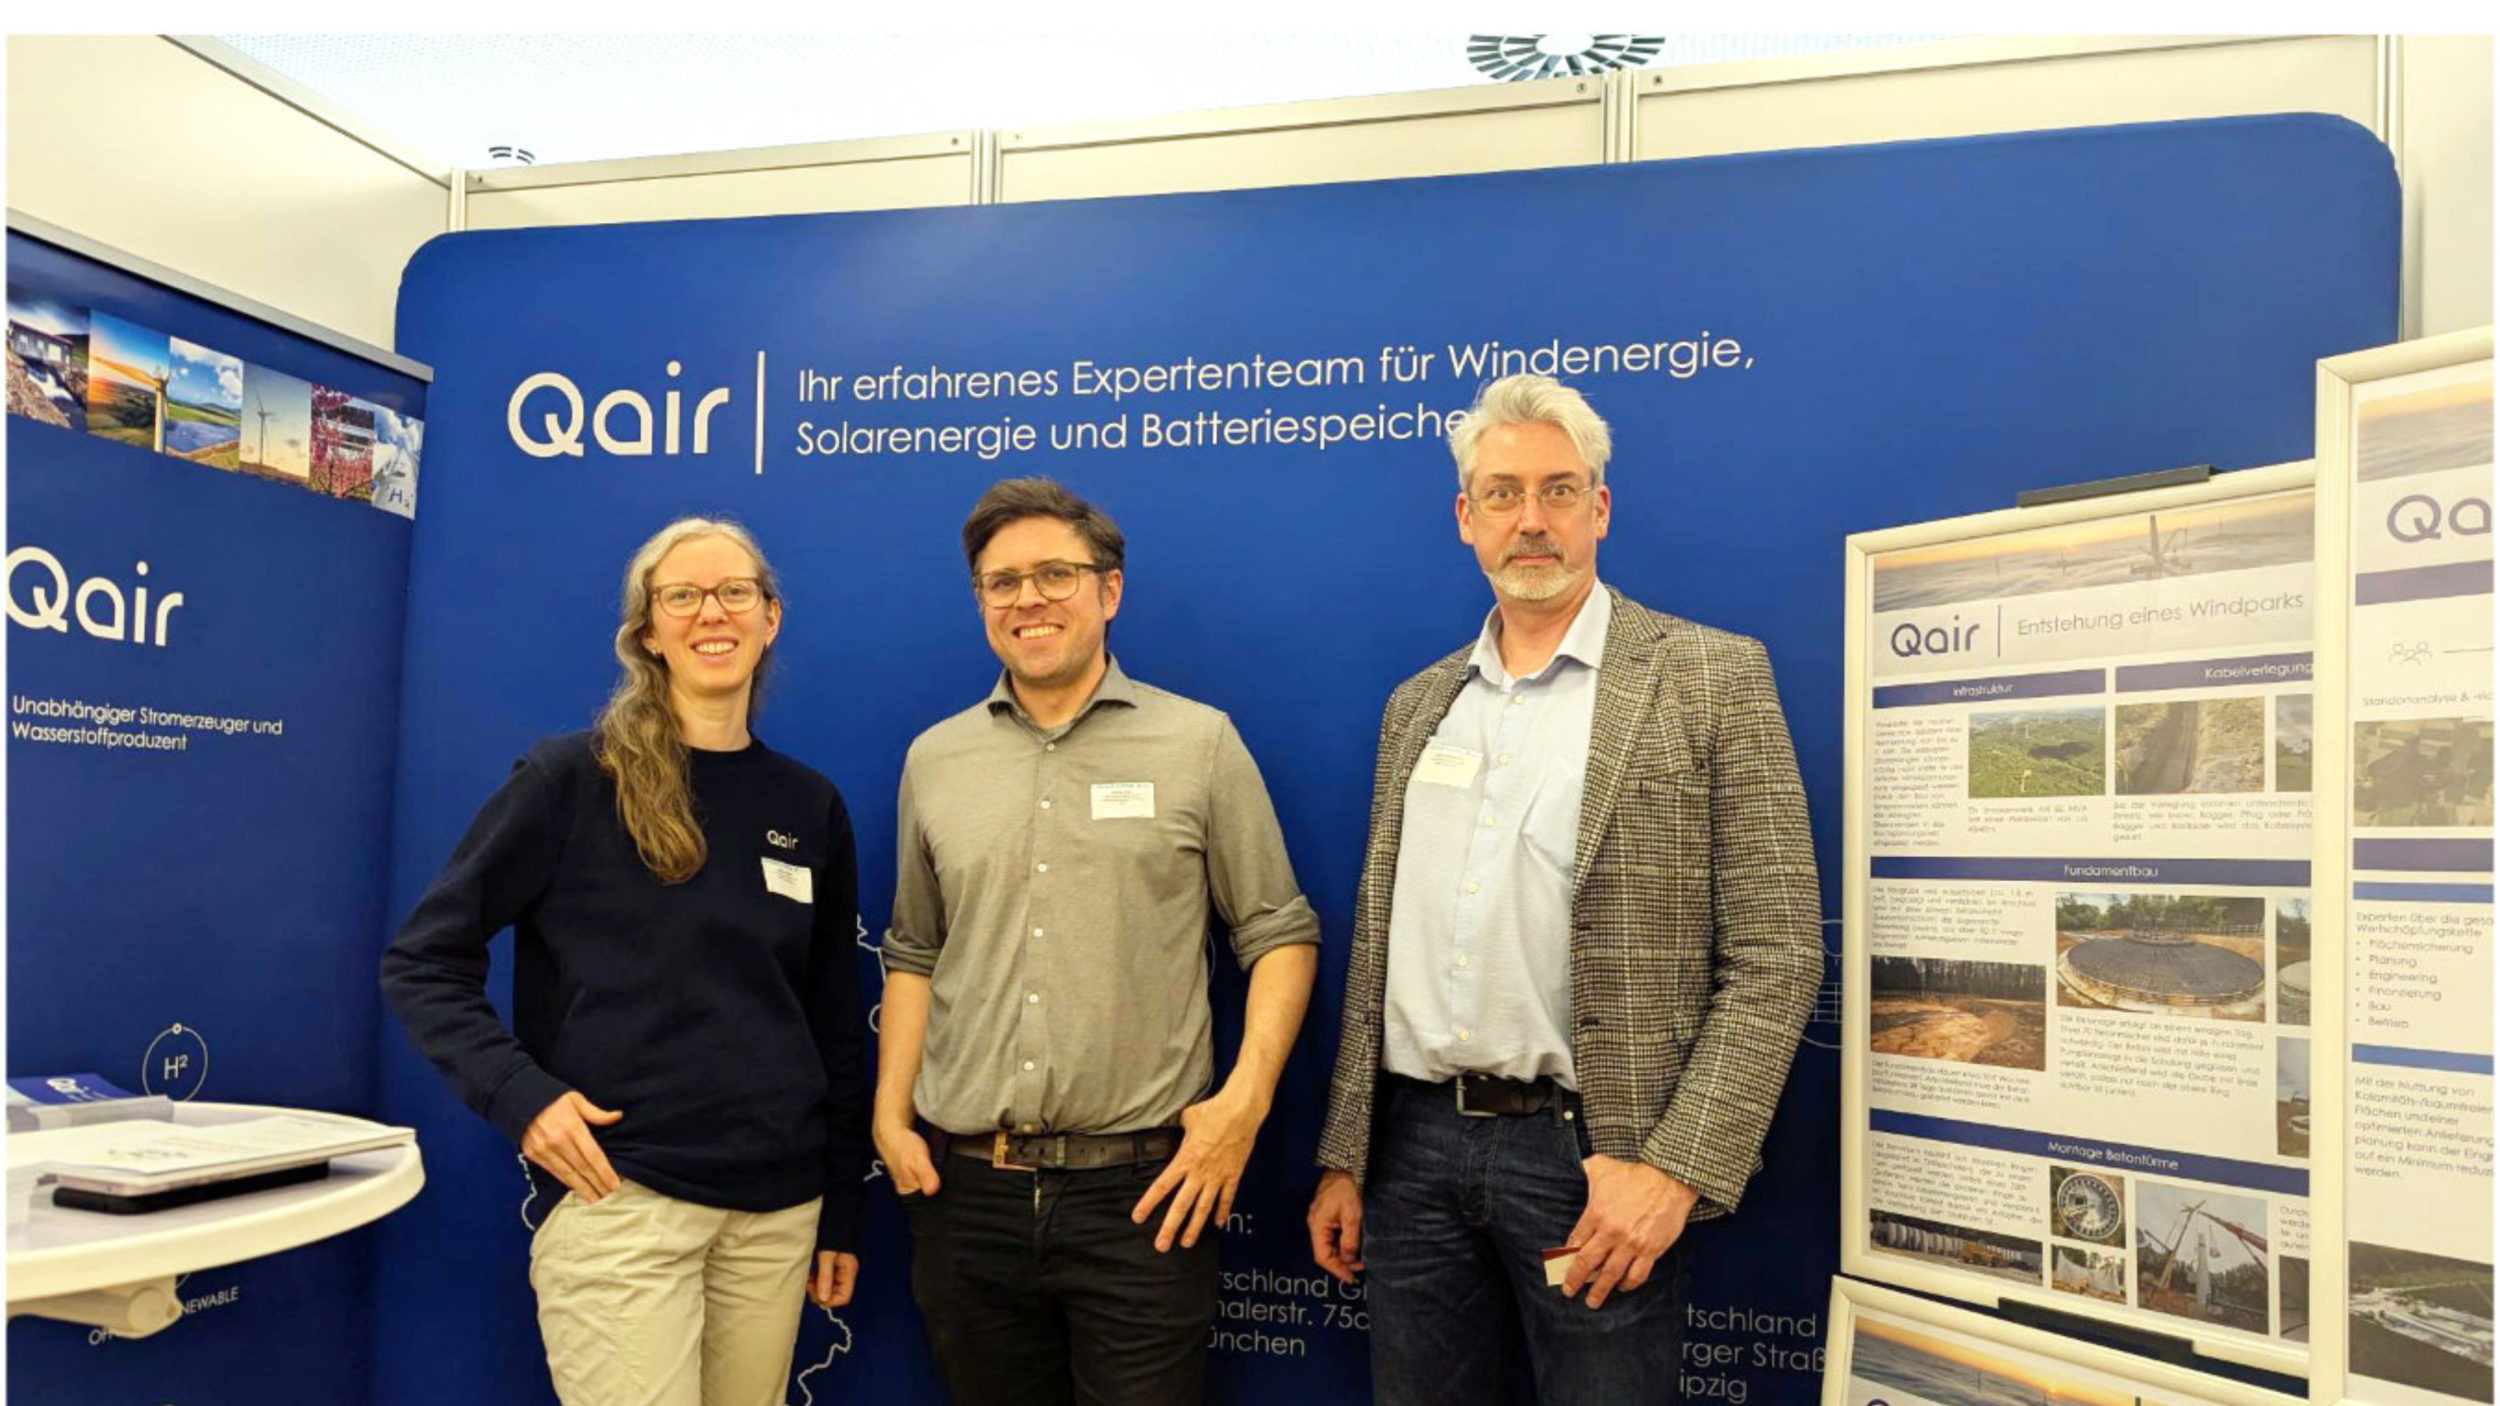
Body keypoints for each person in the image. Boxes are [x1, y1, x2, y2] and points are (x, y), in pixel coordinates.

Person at [1306, 374, 1821, 1405]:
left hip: (1593, 1159)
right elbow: (1384, 945)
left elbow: (1780, 952)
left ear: (1600, 507)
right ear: (1466, 517)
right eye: (1502, 494)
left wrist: (1675, 1169)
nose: (1531, 519)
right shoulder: (1419, 705)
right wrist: (1348, 1153)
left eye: (1558, 489)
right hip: (1413, 1154)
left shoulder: (1709, 676)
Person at [381, 517, 867, 1406]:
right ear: (647, 632)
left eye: (735, 592)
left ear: (771, 618)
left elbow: (833, 1017)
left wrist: (840, 1200)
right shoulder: (571, 780)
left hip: (777, 1212)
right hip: (624, 1199)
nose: (711, 613)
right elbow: (424, 961)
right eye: (682, 596)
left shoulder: (808, 804)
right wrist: (521, 1097)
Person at [877, 476, 1321, 1406]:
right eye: (1002, 582)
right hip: (969, 1196)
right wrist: (890, 1116)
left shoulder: (1199, 743)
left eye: (1055, 575)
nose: (1028, 599)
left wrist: (1242, 1108)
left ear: (1108, 590)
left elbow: (1279, 932)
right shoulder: (936, 759)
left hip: (1144, 1199)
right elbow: (915, 949)